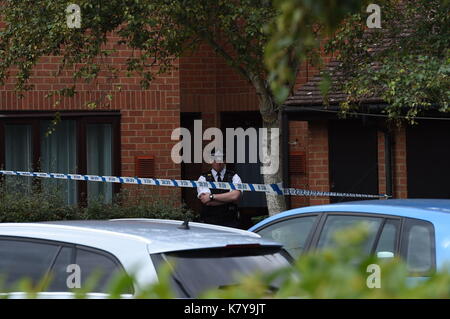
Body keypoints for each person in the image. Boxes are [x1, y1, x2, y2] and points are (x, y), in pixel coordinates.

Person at [197, 150, 242, 228]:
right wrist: (228, 199)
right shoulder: (203, 178)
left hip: (230, 222)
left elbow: (235, 196)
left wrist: (212, 197)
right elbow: (206, 201)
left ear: (225, 161)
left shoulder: (234, 176)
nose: (218, 163)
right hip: (209, 222)